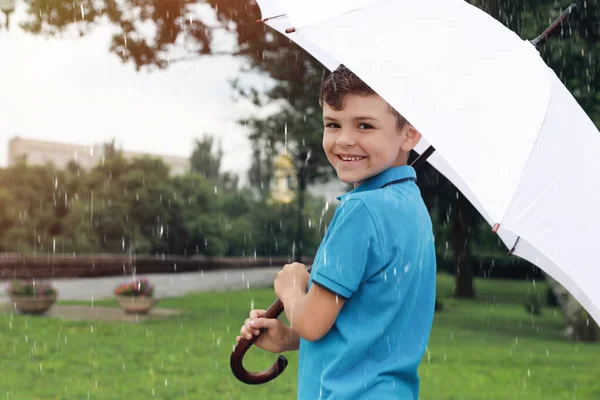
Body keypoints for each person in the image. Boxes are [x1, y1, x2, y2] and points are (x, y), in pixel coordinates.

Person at [236, 64, 437, 399]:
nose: (345, 140)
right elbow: (369, 325)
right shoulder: (411, 208)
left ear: (410, 132)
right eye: (333, 124)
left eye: (365, 125)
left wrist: (292, 288)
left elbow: (312, 322)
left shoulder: (362, 211)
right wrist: (289, 337)